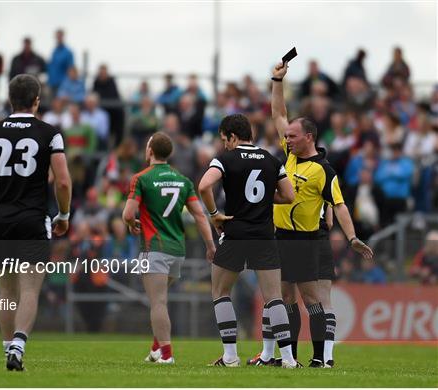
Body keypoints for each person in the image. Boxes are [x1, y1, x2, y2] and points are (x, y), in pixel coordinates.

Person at [250, 62, 373, 368]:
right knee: (285, 298)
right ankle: (289, 357)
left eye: (292, 136)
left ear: (308, 137)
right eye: (286, 136)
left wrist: (352, 237)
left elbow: (340, 204)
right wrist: (277, 80)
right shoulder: (289, 156)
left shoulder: (323, 170)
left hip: (305, 240)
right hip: (280, 237)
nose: (286, 139)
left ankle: (321, 358)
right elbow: (278, 113)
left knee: (311, 300)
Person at [0, 74, 71, 371]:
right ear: (37, 100)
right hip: (33, 219)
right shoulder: (49, 133)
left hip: (2, 221)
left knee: (6, 289)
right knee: (29, 289)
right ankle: (18, 344)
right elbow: (63, 182)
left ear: (10, 99)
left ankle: (7, 350)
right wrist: (63, 215)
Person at [198, 113, 298, 368]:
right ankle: (287, 358)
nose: (224, 144)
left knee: (220, 292)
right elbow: (289, 196)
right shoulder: (272, 160)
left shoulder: (225, 159)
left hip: (235, 234)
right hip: (264, 235)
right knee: (274, 297)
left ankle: (230, 356)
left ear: (232, 136)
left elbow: (203, 186)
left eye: (224, 139)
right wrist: (265, 201)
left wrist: (213, 215)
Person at [122, 132, 216, 364]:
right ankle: (156, 348)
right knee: (160, 300)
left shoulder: (141, 178)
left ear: (150, 151)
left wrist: (130, 223)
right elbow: (200, 216)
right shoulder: (183, 180)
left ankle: (166, 354)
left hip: (154, 247)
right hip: (177, 251)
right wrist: (210, 245)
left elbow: (127, 213)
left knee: (158, 302)